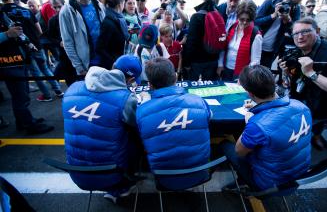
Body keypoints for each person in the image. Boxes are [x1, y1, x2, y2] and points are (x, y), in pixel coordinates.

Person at [63, 55, 142, 204]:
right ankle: (123, 185)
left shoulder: (72, 89)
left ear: (113, 66)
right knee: (136, 137)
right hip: (111, 174)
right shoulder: (125, 99)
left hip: (75, 171)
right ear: (131, 80)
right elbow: (137, 125)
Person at [221, 65, 312, 191]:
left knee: (226, 145)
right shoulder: (301, 106)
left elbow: (239, 152)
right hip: (301, 173)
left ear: (249, 93)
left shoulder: (257, 125)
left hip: (272, 183)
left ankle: (243, 181)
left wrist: (250, 121)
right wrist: (257, 106)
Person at [136, 57, 210, 188]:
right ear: (175, 78)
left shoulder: (142, 111)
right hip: (199, 173)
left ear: (150, 85)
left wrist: (145, 102)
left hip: (164, 178)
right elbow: (209, 116)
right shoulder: (198, 101)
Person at [279, 18, 327, 149]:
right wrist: (286, 72)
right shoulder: (295, 51)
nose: (299, 37)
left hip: (322, 106)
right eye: (295, 33)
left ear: (317, 31)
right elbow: (289, 82)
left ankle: (313, 137)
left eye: (305, 31)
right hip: (299, 101)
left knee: (300, 137)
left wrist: (312, 74)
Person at [0, 0, 63, 102]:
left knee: (36, 73)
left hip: (22, 51)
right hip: (37, 45)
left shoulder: (2, 13)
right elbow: (39, 30)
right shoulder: (27, 11)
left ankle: (47, 95)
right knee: (45, 69)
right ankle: (58, 90)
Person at [0, 9, 54, 134]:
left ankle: (23, 121)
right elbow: (10, 32)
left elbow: (16, 30)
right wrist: (7, 35)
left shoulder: (2, 13)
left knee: (21, 94)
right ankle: (28, 124)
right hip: (7, 63)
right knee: (20, 96)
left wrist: (27, 42)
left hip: (18, 60)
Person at [60, 0, 105, 75]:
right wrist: (79, 68)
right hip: (87, 65)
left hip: (105, 59)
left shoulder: (99, 6)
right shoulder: (66, 12)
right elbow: (68, 43)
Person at [256, 0, 307, 68]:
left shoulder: (296, 8)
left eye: (295, 3)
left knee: (264, 73)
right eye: (290, 2)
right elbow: (255, 22)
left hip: (272, 49)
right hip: (257, 44)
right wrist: (272, 16)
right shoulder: (269, 3)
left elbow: (295, 31)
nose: (291, 5)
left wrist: (288, 20)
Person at [182, 0, 220, 81]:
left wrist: (187, 63)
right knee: (209, 90)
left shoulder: (196, 16)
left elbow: (191, 42)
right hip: (213, 61)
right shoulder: (219, 13)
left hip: (197, 63)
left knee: (194, 90)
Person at [217, 1, 262, 81]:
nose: (244, 22)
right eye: (242, 19)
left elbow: (255, 61)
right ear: (237, 16)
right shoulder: (232, 27)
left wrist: (245, 77)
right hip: (226, 70)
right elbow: (224, 48)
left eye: (248, 20)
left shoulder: (256, 35)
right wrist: (220, 64)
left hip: (241, 75)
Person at [96, 0, 129, 70]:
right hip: (111, 66)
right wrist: (114, 62)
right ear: (120, 4)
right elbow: (99, 48)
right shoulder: (108, 22)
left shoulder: (118, 19)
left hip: (119, 61)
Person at [48, 0, 77, 86]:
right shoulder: (52, 21)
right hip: (64, 55)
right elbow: (50, 37)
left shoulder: (72, 16)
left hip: (77, 52)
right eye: (55, 7)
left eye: (59, 6)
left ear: (64, 5)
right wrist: (59, 42)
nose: (57, 9)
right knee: (70, 80)